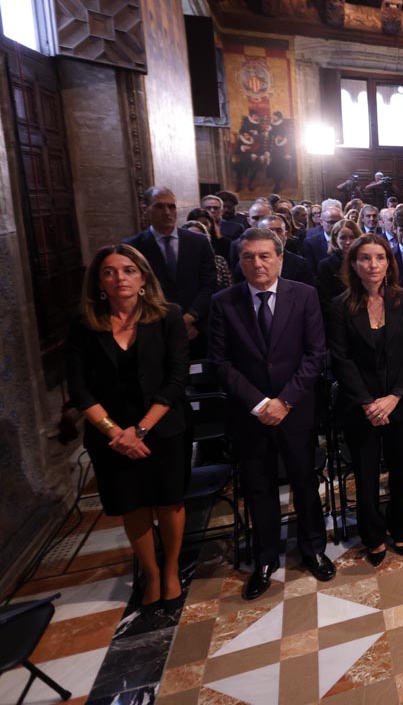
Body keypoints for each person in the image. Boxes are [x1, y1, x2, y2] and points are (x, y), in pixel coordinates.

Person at [209, 228, 333, 600]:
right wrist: (261, 404)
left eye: (265, 256)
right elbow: (220, 362)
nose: (257, 263)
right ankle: (265, 557)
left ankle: (313, 547)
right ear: (239, 261)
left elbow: (315, 355)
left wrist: (285, 401)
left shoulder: (304, 295)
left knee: (305, 481)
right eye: (248, 257)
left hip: (295, 409)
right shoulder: (224, 302)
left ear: (280, 258)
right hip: (250, 414)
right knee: (258, 486)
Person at [66, 245, 190, 612]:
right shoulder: (84, 324)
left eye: (128, 270)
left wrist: (141, 429)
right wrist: (115, 432)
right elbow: (79, 388)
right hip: (111, 435)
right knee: (131, 504)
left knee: (169, 501)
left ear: (143, 277)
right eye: (109, 271)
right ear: (99, 281)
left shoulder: (168, 316)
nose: (120, 277)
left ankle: (171, 569)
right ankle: (150, 572)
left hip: (163, 427)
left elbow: (176, 377)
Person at [328, 235, 403, 566]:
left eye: (380, 258)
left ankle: (400, 527)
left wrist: (394, 397)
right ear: (354, 264)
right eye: (365, 258)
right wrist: (369, 402)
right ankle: (371, 535)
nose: (373, 265)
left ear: (389, 263)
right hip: (361, 407)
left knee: (401, 470)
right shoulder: (340, 306)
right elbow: (340, 359)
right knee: (365, 474)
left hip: (401, 404)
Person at [122, 187, 217, 357]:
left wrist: (189, 317)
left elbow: (209, 284)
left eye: (171, 206)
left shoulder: (198, 242)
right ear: (145, 210)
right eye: (159, 206)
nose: (167, 212)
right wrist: (167, 323)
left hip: (197, 327)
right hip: (155, 330)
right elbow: (132, 291)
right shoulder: (133, 247)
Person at [316, 219, 363, 314]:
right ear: (335, 239)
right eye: (343, 238)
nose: (348, 242)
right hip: (336, 314)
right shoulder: (326, 265)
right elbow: (324, 298)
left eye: (352, 237)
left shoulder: (364, 261)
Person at [181, 220, 232, 290]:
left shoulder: (219, 261)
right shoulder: (179, 263)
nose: (194, 242)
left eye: (198, 238)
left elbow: (228, 288)